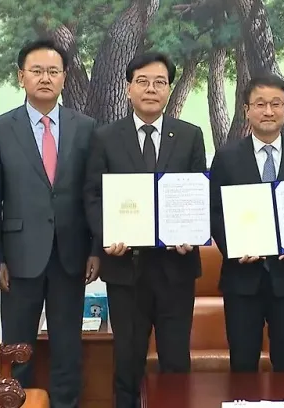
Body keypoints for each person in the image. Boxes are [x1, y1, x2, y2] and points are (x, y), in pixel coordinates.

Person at [83, 52, 206, 408]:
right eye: (143, 82)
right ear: (128, 88)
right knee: (127, 362)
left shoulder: (190, 135)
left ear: (169, 89)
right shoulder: (105, 137)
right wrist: (107, 235)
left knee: (176, 363)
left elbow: (198, 193)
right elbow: (92, 194)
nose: (151, 89)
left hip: (176, 269)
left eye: (160, 82)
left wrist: (191, 234)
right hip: (126, 269)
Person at [0, 39, 98, 408]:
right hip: (18, 257)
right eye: (37, 71)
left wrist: (95, 249)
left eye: (53, 71)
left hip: (70, 253)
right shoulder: (0, 129)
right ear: (21, 77)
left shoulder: (86, 128)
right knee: (18, 349)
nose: (45, 78)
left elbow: (94, 193)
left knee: (68, 346)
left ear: (64, 77)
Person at [209, 73, 284, 373]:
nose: (268, 111)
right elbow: (214, 212)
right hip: (242, 278)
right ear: (247, 110)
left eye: (276, 104)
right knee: (243, 364)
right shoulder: (227, 157)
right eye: (260, 104)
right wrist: (235, 247)